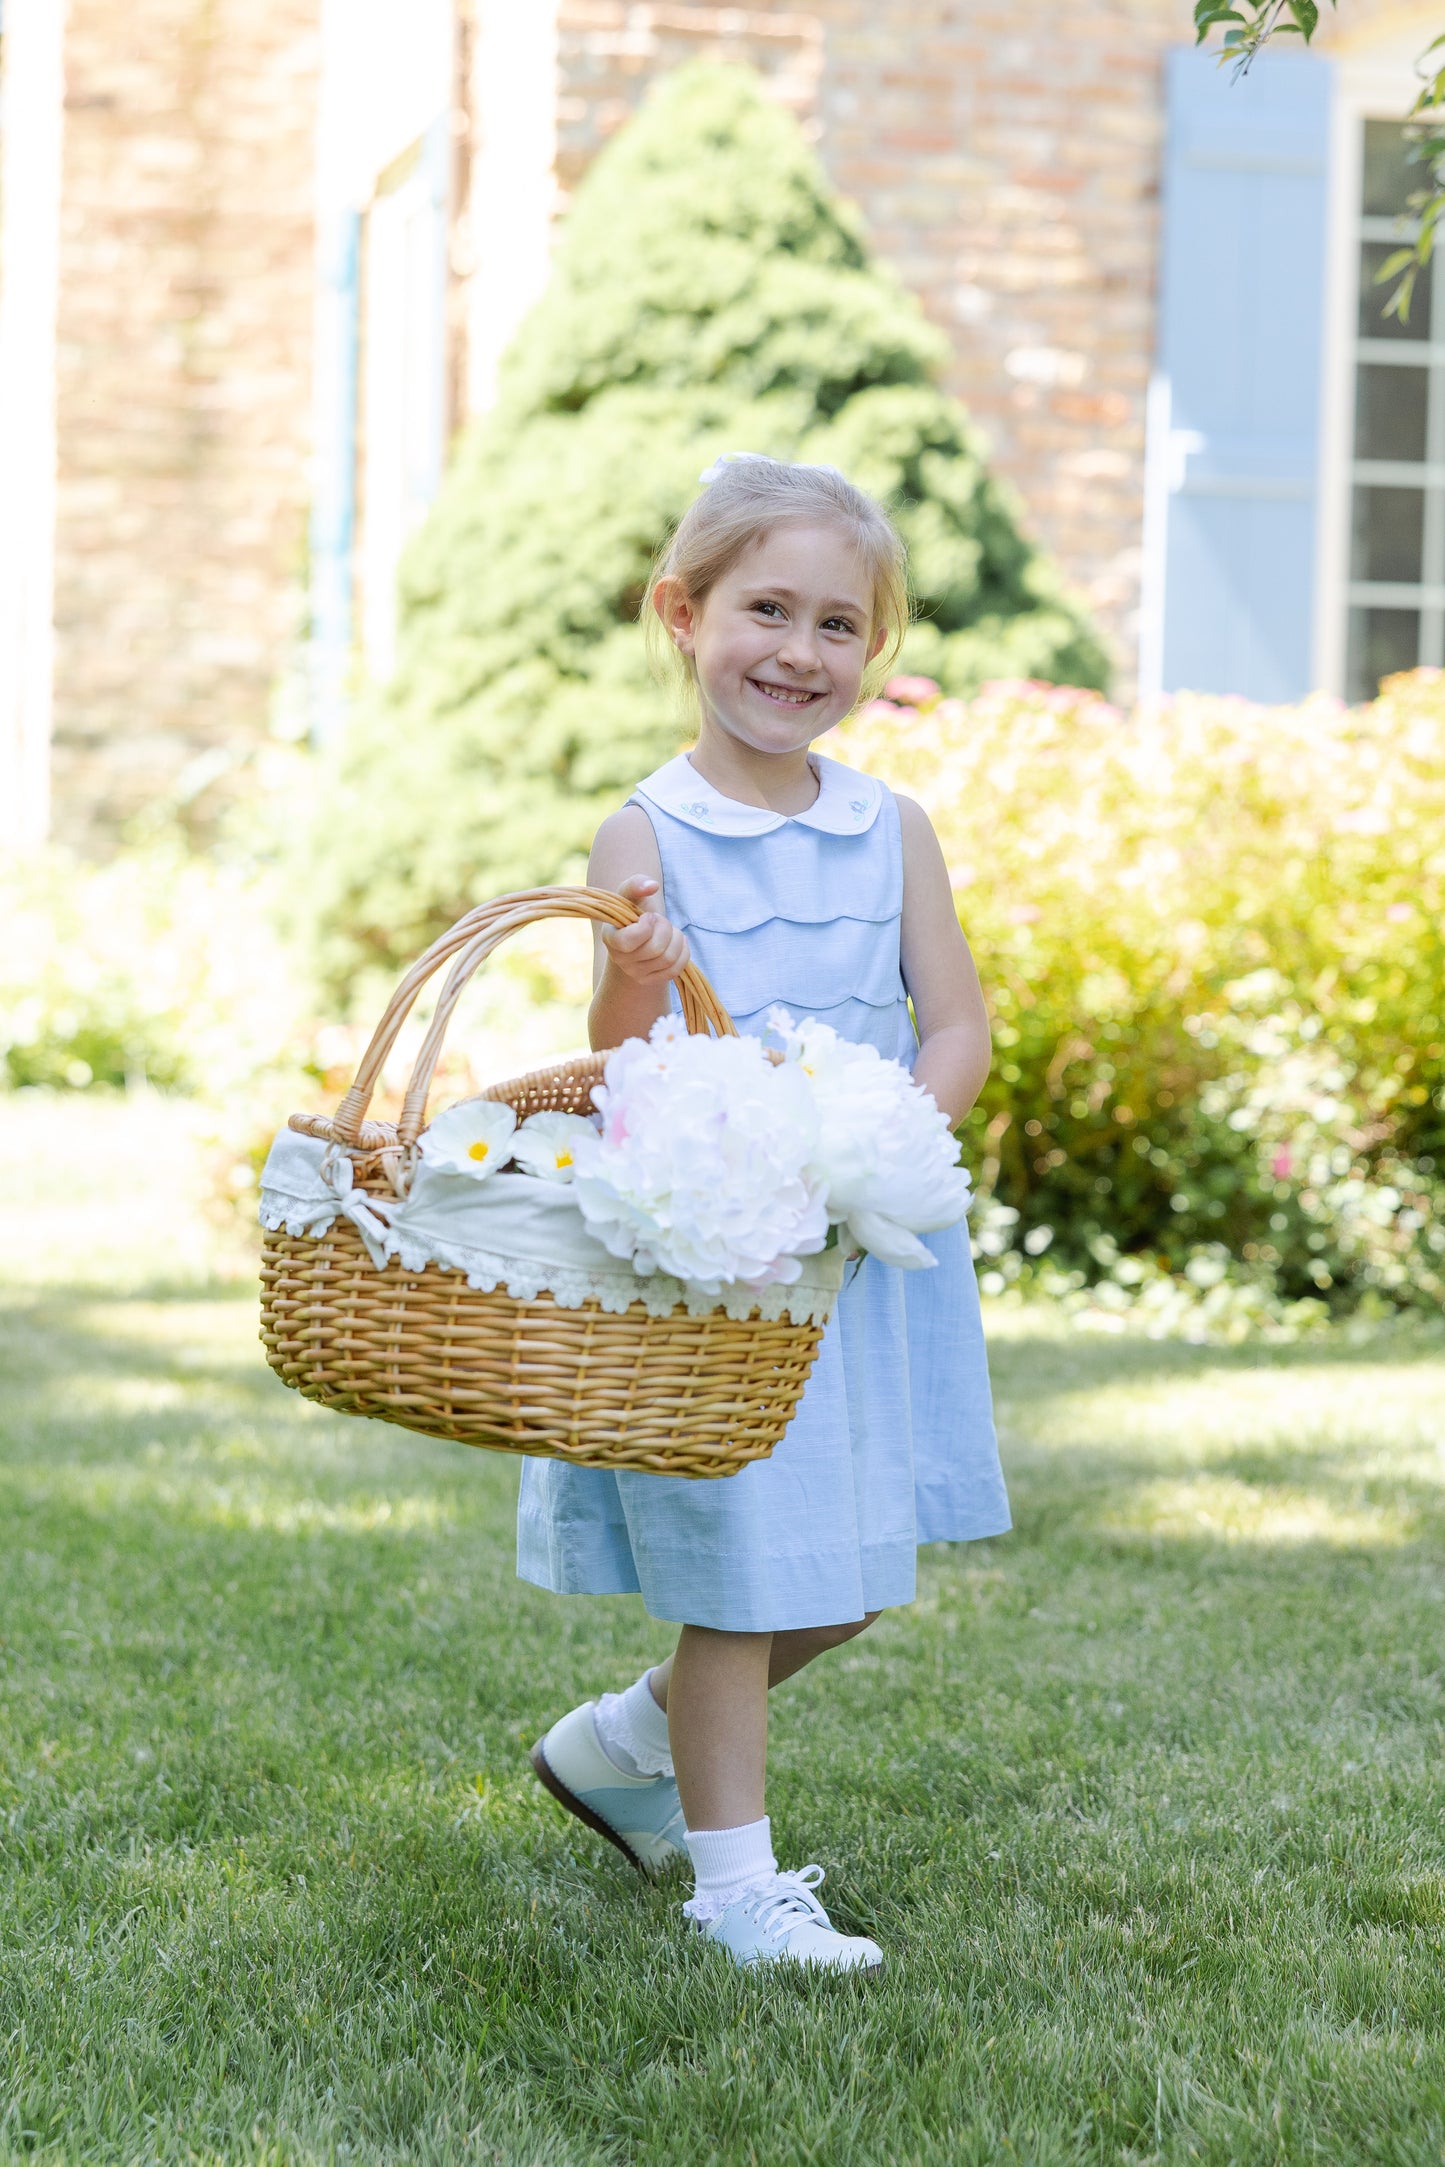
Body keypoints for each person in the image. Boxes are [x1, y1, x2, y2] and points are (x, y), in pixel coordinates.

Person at [523, 453, 1010, 1973]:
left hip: (853, 1248)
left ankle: (618, 1745)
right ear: (684, 613)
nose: (797, 653)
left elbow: (956, 1022)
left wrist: (884, 1148)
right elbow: (621, 1056)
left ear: (874, 651)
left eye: (837, 626)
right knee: (748, 1575)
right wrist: (641, 967)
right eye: (765, 611)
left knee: (853, 1573)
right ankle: (735, 1888)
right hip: (723, 1258)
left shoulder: (891, 828)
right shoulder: (643, 832)